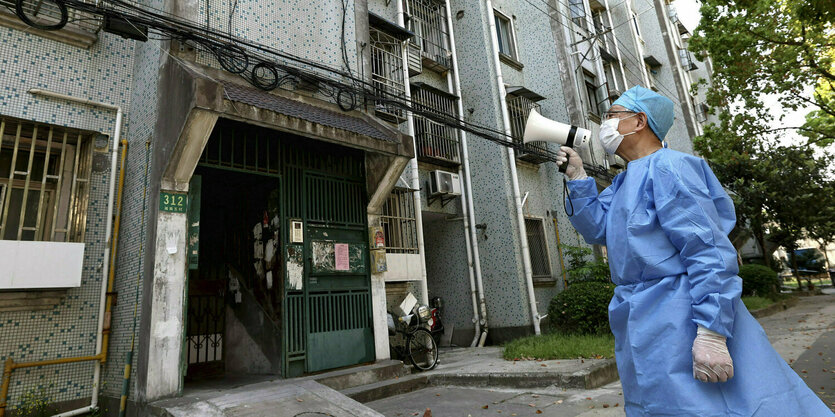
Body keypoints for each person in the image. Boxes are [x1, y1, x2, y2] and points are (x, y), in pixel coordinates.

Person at [557, 85, 832, 416]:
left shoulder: (671, 167)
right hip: (639, 315)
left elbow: (708, 252)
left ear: (639, 120)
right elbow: (600, 229)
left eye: (612, 116)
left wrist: (711, 332)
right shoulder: (624, 181)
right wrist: (577, 176)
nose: (605, 125)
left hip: (681, 311)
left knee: (708, 405)